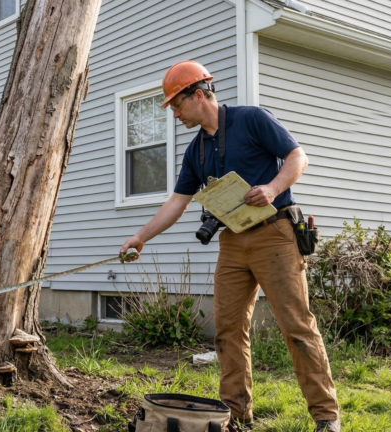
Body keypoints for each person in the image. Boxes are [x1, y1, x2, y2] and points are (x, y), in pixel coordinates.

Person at [119, 60, 340, 432]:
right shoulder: (196, 150)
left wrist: (271, 187)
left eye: (176, 105)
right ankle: (235, 415)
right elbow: (178, 202)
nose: (174, 114)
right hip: (233, 242)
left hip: (275, 233)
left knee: (296, 326)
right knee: (227, 330)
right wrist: (140, 237)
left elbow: (297, 156)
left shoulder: (251, 119)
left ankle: (325, 417)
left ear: (200, 95)